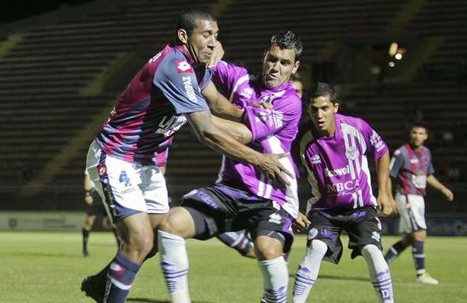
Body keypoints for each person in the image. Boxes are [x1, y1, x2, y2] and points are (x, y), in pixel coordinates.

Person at [80, 8, 291, 303]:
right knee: (139, 241)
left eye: (216, 36)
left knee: (152, 242)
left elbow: (216, 104)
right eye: (206, 35)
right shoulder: (175, 66)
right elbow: (206, 131)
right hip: (117, 156)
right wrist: (257, 158)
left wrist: (250, 114)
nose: (213, 43)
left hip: (147, 162)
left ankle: (98, 285)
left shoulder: (196, 66)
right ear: (184, 36)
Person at [157, 30, 308, 303]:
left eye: (284, 62)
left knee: (266, 248)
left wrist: (195, 117)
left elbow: (242, 134)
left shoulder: (290, 102)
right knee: (170, 224)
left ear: (294, 66)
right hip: (229, 189)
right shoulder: (241, 80)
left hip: (269, 197)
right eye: (272, 59)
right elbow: (206, 61)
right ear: (264, 56)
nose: (275, 67)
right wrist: (214, 48)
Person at [292, 82, 397, 303]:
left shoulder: (357, 127)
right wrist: (292, 208)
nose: (319, 115)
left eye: (324, 108)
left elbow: (382, 151)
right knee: (317, 248)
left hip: (361, 207)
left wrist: (385, 191)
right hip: (324, 210)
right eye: (314, 109)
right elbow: (286, 170)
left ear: (335, 107)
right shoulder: (301, 138)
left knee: (372, 251)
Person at [384, 122, 454, 285]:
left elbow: (428, 175)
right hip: (407, 197)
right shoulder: (401, 153)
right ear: (410, 134)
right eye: (415, 132)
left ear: (426, 136)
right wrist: (389, 197)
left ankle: (381, 265)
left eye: (421, 133)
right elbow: (388, 175)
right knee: (420, 233)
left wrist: (443, 189)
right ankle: (421, 274)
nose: (417, 136)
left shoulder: (426, 153)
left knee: (408, 239)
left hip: (419, 198)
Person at [82, 169, 120, 257]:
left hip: (108, 193)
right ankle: (84, 250)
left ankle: (120, 249)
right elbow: (87, 176)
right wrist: (87, 194)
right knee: (89, 221)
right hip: (95, 194)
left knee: (114, 222)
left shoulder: (110, 160)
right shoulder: (93, 158)